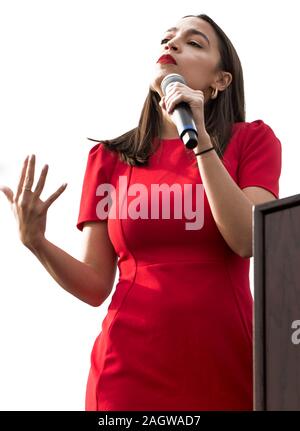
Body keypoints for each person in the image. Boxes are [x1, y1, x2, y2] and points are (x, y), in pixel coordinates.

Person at [0, 14, 281, 411]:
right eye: (168, 39)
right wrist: (36, 243)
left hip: (227, 367)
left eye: (194, 43)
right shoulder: (109, 159)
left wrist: (201, 142)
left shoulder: (253, 142)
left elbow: (249, 239)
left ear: (221, 80)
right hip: (127, 373)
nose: (172, 45)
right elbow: (96, 284)